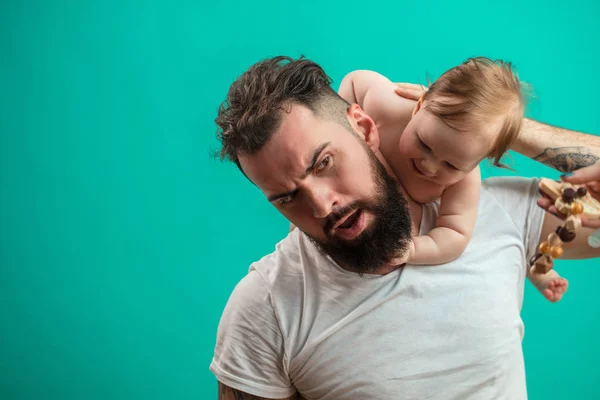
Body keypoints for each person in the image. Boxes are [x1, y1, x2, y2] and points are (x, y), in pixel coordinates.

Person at [211, 56, 600, 400]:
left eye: (323, 163)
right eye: (286, 197)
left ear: (363, 125)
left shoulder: (493, 210)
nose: (320, 205)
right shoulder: (265, 309)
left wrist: (487, 123)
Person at [338, 58, 571, 302]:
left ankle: (530, 264)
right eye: (424, 143)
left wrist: (412, 250)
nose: (428, 165)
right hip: (361, 182)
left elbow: (454, 234)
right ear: (419, 106)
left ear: (479, 160)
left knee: (442, 224)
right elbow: (356, 80)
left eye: (451, 165)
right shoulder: (389, 106)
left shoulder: (465, 181)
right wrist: (339, 127)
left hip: (400, 208)